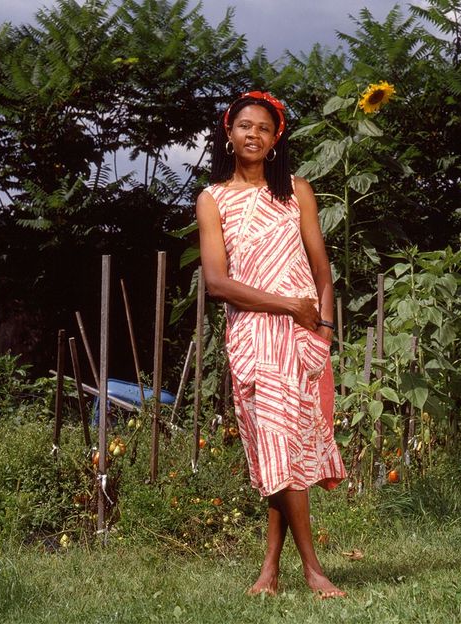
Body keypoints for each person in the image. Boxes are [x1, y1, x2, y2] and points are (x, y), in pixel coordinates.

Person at [196, 91, 347, 598]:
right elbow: (217, 282)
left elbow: (323, 272)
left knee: (286, 454)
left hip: (303, 341)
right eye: (244, 126)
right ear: (229, 133)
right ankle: (312, 569)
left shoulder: (297, 192)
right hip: (255, 337)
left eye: (263, 127)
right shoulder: (213, 199)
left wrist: (322, 332)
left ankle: (270, 570)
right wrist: (289, 307)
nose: (253, 134)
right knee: (277, 447)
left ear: (276, 138)